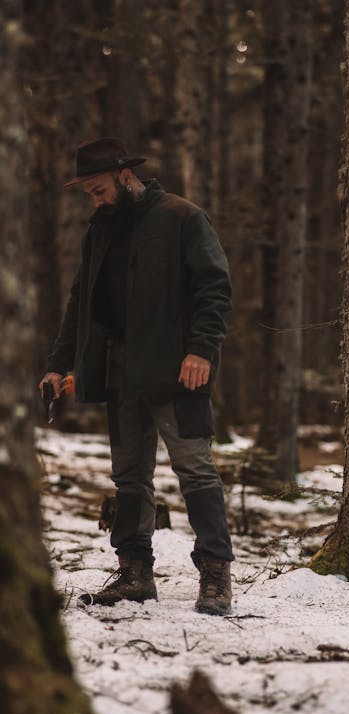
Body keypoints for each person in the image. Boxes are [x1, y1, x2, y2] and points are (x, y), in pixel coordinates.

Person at [39, 137, 234, 615]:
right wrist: (60, 363)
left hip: (178, 371)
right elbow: (80, 302)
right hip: (120, 372)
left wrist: (202, 351)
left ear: (125, 177)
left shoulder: (182, 217)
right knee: (129, 476)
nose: (95, 199)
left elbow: (215, 286)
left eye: (99, 189)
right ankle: (134, 573)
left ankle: (215, 575)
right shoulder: (99, 231)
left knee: (194, 468)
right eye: (88, 192)